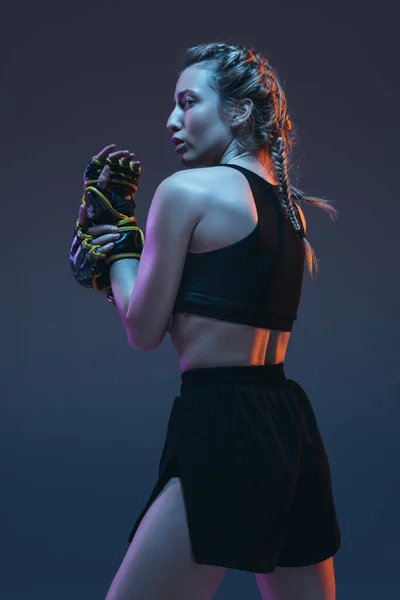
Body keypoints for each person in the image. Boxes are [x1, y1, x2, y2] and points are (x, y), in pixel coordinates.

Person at [73, 42, 341, 600]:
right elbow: (206, 311)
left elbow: (144, 331)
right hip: (288, 424)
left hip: (224, 424)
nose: (173, 120)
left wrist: (119, 255)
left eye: (188, 102)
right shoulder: (290, 213)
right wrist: (121, 264)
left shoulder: (184, 192)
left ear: (239, 111)